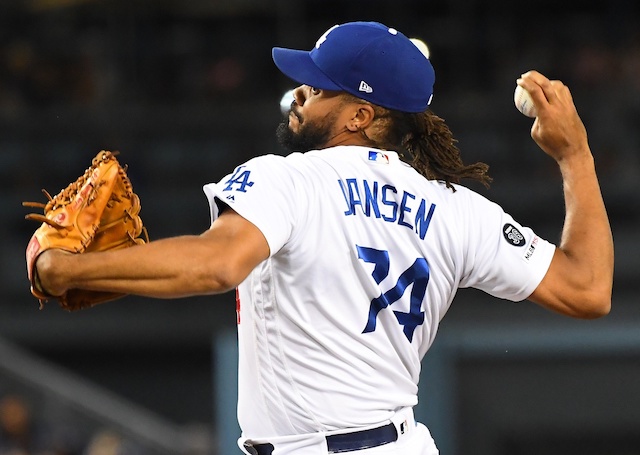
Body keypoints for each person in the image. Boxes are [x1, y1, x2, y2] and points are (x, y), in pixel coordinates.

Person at [31, 21, 614, 455]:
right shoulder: (457, 208)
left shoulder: (289, 177)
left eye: (317, 83)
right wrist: (575, 155)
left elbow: (219, 263)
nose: (300, 91)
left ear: (360, 115)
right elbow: (588, 288)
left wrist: (66, 270)